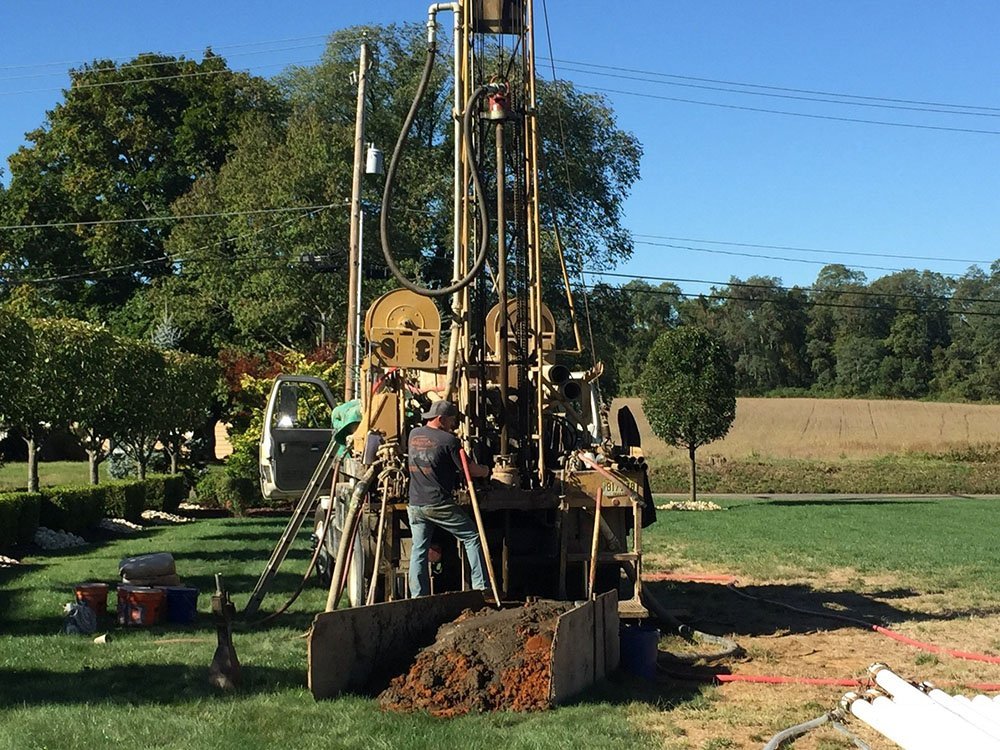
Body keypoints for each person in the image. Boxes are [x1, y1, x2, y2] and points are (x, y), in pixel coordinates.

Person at [407, 399, 491, 597]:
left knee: (419, 549)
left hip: (415, 502)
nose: (453, 424)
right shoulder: (449, 441)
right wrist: (486, 471)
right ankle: (481, 586)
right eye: (452, 420)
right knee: (472, 536)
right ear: (441, 418)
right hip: (437, 502)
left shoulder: (413, 435)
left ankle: (418, 595)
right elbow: (470, 469)